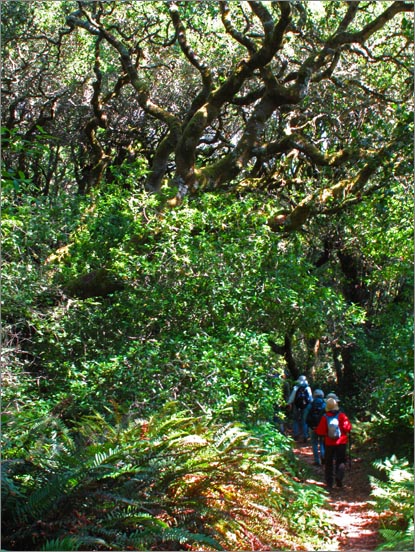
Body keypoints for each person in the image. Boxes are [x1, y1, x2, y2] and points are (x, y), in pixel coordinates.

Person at [316, 396, 352, 489]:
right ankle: (339, 478)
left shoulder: (325, 417)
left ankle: (329, 483)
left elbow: (320, 431)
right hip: (341, 442)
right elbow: (348, 428)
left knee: (329, 463)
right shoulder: (342, 416)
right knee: (340, 461)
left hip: (329, 443)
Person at [287, 375, 313, 442]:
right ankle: (305, 435)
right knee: (304, 421)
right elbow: (310, 398)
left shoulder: (296, 387)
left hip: (297, 406)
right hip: (306, 406)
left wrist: (289, 403)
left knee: (295, 420)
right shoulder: (307, 387)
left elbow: (292, 397)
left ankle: (296, 435)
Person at [304, 389, 326, 465]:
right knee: (322, 442)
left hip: (312, 427)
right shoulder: (324, 404)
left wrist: (308, 424)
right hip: (322, 427)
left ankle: (317, 461)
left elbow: (305, 416)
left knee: (314, 443)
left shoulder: (311, 405)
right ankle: (323, 457)